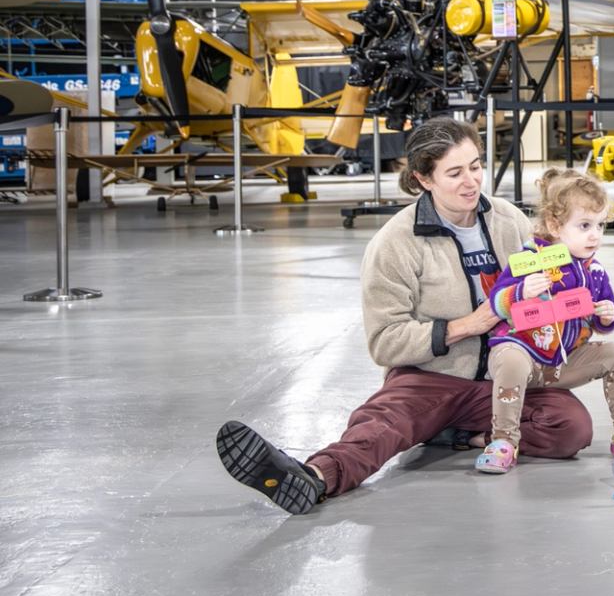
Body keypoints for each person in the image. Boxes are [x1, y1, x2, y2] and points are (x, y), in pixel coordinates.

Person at [215, 118, 592, 514]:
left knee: (571, 427)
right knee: (381, 426)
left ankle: (457, 434)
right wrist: (470, 324)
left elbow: (549, 281)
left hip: (502, 378)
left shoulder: (508, 220)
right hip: (432, 377)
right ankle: (311, 478)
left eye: (476, 166)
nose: (471, 181)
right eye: (455, 172)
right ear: (423, 178)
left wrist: (574, 308)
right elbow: (385, 340)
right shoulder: (395, 242)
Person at [476, 169, 614, 475]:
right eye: (584, 225)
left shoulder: (594, 271)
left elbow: (604, 320)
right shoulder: (531, 258)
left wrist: (607, 315)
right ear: (555, 226)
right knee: (511, 358)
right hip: (523, 355)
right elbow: (497, 300)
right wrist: (520, 291)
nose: (595, 235)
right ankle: (504, 442)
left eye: (600, 225)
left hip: (563, 362)